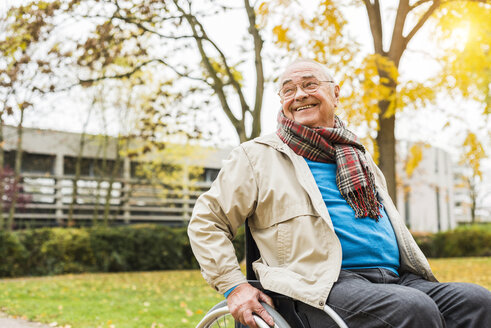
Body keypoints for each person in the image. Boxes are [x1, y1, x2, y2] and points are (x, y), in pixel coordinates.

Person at [188, 59, 491, 328]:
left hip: (395, 278)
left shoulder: (357, 156)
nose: (300, 95)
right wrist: (233, 286)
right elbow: (206, 222)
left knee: (477, 301)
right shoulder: (255, 156)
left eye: (310, 85)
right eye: (288, 90)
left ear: (336, 93)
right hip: (317, 286)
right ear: (281, 101)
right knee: (412, 308)